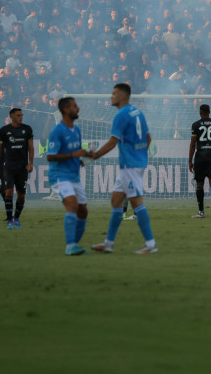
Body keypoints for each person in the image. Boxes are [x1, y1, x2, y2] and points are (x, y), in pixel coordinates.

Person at [88, 83, 158, 254]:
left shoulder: (121, 115)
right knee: (116, 201)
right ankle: (108, 243)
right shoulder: (138, 112)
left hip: (130, 165)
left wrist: (95, 155)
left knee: (136, 202)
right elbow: (148, 138)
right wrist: (140, 155)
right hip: (135, 162)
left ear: (122, 96)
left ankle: (150, 245)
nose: (111, 97)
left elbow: (113, 142)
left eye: (113, 94)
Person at [46, 97, 90, 256]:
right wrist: (73, 154)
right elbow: (50, 157)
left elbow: (75, 152)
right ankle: (70, 246)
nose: (78, 108)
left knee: (83, 211)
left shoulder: (76, 130)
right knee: (72, 205)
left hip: (74, 176)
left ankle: (75, 245)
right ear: (66, 110)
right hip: (59, 175)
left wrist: (82, 158)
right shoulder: (57, 131)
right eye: (75, 106)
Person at [0, 108, 34, 229]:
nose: (21, 117)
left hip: (22, 167)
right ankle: (10, 220)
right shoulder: (4, 130)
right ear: (11, 116)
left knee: (21, 195)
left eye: (21, 115)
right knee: (9, 192)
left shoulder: (27, 129)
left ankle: (16, 218)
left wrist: (31, 163)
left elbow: (31, 148)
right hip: (8, 166)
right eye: (18, 115)